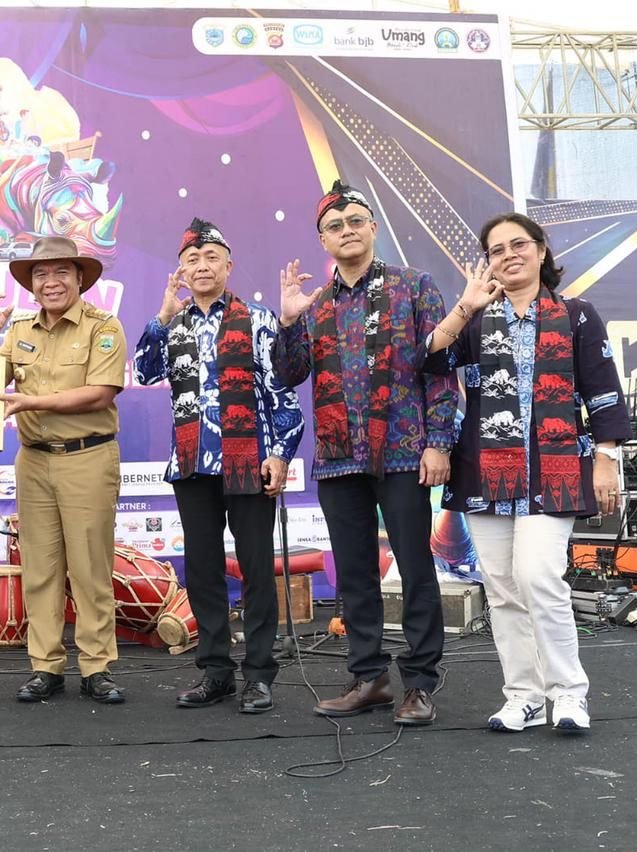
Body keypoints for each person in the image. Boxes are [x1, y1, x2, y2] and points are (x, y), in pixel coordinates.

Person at [424, 212, 630, 732]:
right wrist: (466, 305)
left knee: (539, 577)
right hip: (485, 473)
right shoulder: (476, 321)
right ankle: (524, 696)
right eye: (496, 250)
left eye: (519, 245)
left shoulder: (577, 316)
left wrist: (606, 458)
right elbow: (431, 360)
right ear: (487, 263)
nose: (509, 255)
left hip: (554, 470)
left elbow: (602, 389)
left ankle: (569, 693)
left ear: (541, 251)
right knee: (501, 589)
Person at [275, 180, 457, 726]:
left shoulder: (415, 286)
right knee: (353, 574)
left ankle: (419, 684)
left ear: (373, 228)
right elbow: (289, 374)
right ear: (323, 241)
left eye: (356, 221)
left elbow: (441, 372)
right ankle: (369, 678)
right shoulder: (315, 305)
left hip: (404, 452)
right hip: (337, 459)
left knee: (416, 569)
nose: (347, 230)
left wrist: (438, 442)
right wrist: (288, 321)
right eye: (335, 226)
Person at [134, 218, 304, 714]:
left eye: (211, 258)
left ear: (229, 266)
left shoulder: (258, 320)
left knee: (256, 570)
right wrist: (161, 316)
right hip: (192, 464)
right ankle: (215, 672)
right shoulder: (175, 325)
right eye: (192, 260)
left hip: (249, 460)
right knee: (203, 571)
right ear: (182, 272)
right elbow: (144, 370)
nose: (202, 266)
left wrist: (281, 453)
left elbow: (282, 394)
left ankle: (259, 675)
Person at [0, 236, 128, 704]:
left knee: (90, 568)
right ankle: (45, 666)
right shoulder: (19, 328)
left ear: (80, 278)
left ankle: (96, 667)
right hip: (33, 459)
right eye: (41, 274)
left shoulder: (104, 326)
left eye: (62, 271)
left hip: (88, 457)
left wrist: (33, 402)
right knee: (40, 568)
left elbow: (100, 393)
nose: (51, 281)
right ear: (31, 284)